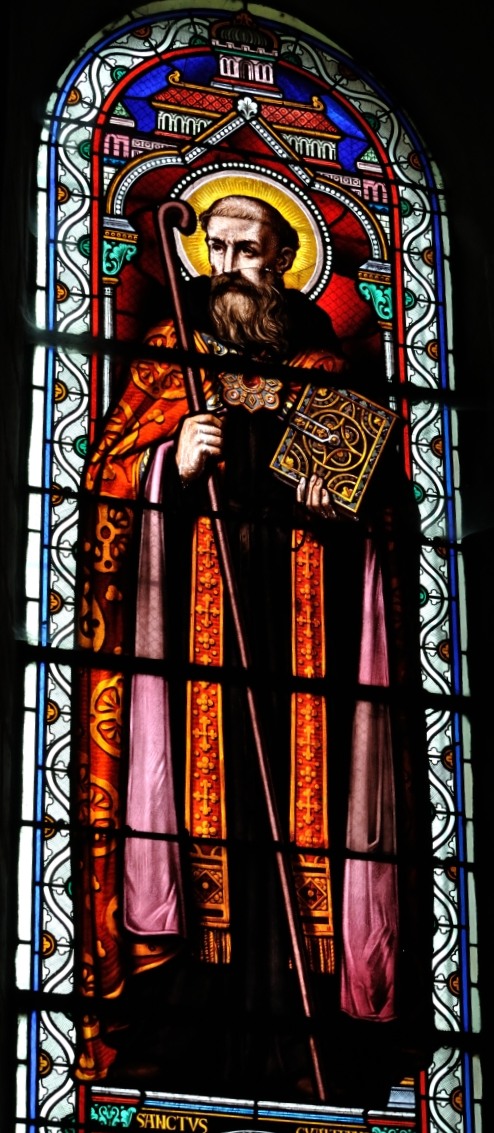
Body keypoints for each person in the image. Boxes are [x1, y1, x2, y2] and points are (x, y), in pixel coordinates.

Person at [73, 195, 430, 1098]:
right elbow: (106, 488)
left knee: (312, 823)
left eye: (253, 251)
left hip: (307, 646)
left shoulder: (324, 371)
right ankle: (184, 1024)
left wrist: (342, 500)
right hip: (189, 642)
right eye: (219, 248)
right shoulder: (171, 362)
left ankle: (320, 1040)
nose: (231, 266)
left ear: (284, 263)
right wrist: (170, 462)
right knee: (201, 813)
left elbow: (387, 516)